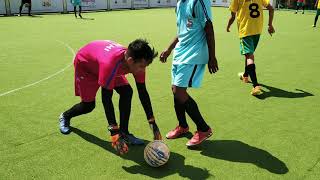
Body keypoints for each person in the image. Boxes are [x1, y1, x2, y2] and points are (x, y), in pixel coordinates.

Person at [59, 39, 162, 155]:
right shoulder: (110, 64)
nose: (143, 70)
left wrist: (152, 122)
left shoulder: (136, 62)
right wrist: (113, 132)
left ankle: (124, 133)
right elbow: (106, 98)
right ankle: (65, 116)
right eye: (141, 66)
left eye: (145, 66)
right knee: (88, 106)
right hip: (86, 66)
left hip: (106, 64)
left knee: (126, 92)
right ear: (130, 60)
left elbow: (142, 92)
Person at [160, 0, 218, 147]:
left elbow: (209, 27)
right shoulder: (180, 3)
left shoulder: (199, 1)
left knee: (179, 91)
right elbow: (182, 30)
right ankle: (183, 126)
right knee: (175, 90)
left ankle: (204, 129)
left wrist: (212, 57)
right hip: (180, 53)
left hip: (194, 53)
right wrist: (169, 48)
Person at [226, 0, 275, 96]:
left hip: (245, 31)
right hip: (257, 30)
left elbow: (233, 16)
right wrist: (270, 25)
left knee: (249, 56)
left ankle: (256, 86)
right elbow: (271, 9)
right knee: (249, 53)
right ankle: (245, 76)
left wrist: (228, 26)